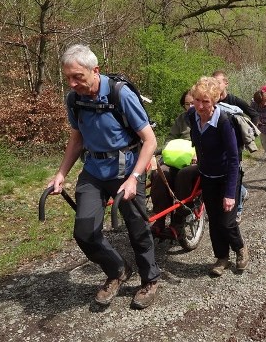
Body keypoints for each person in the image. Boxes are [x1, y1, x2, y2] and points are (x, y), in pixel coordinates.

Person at [47, 44, 160, 309]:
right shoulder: (74, 100)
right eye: (68, 78)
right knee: (84, 232)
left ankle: (150, 279)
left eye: (78, 77)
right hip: (94, 173)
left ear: (95, 70)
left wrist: (134, 177)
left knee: (138, 230)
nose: (73, 83)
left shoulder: (121, 95)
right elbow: (76, 140)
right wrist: (61, 173)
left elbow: (150, 140)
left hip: (127, 170)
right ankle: (118, 270)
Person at [188, 76, 249, 276]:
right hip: (207, 175)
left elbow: (233, 159)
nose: (200, 105)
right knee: (214, 219)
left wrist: (230, 193)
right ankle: (221, 257)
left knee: (226, 221)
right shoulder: (192, 115)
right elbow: (196, 139)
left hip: (227, 175)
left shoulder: (224, 121)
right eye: (197, 99)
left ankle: (240, 248)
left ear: (214, 101)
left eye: (206, 101)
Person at [150, 90, 199, 237]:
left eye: (193, 103)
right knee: (160, 173)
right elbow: (170, 138)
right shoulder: (181, 119)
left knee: (183, 175)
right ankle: (159, 219)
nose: (190, 106)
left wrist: (198, 153)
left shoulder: (206, 117)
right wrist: (167, 151)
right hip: (177, 156)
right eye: (187, 104)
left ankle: (178, 221)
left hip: (197, 158)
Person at [212, 70, 259, 223]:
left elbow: (254, 114)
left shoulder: (235, 101)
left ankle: (238, 209)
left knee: (235, 173)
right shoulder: (212, 101)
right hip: (217, 146)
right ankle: (243, 192)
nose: (216, 85)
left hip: (235, 146)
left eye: (218, 82)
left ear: (226, 83)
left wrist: (247, 135)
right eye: (213, 82)